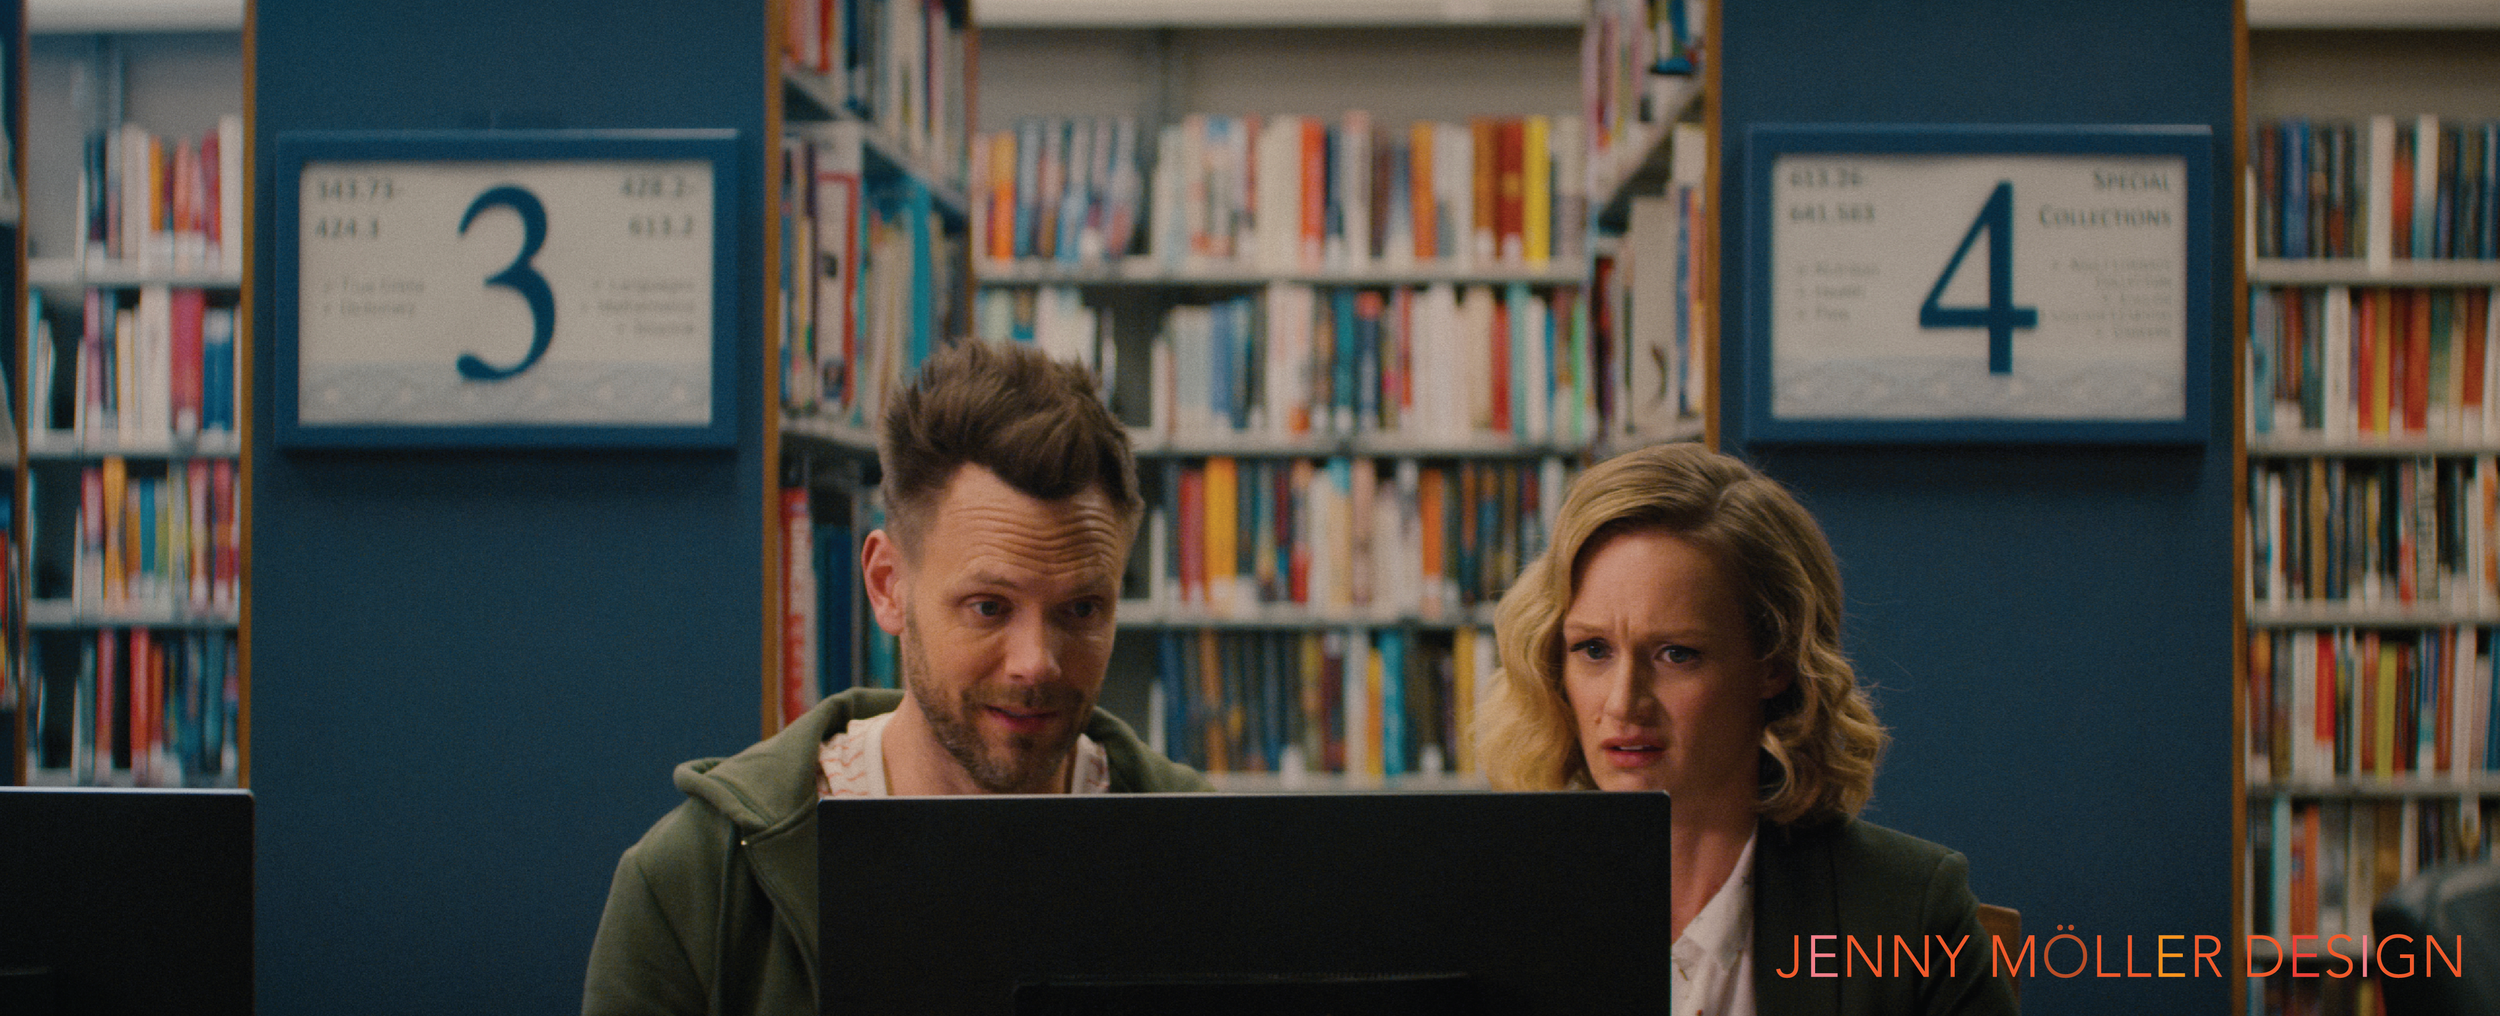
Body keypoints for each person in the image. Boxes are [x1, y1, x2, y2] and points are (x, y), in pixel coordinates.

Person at [582, 341, 1210, 1016]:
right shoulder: (698, 884)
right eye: (989, 607)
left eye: (1081, 609)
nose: (1036, 662)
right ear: (888, 586)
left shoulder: (1210, 859)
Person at [1476, 442, 2018, 1016]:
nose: (1622, 703)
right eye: (1593, 649)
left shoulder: (1909, 909)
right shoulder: (1495, 903)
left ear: (1774, 663)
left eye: (1676, 654)